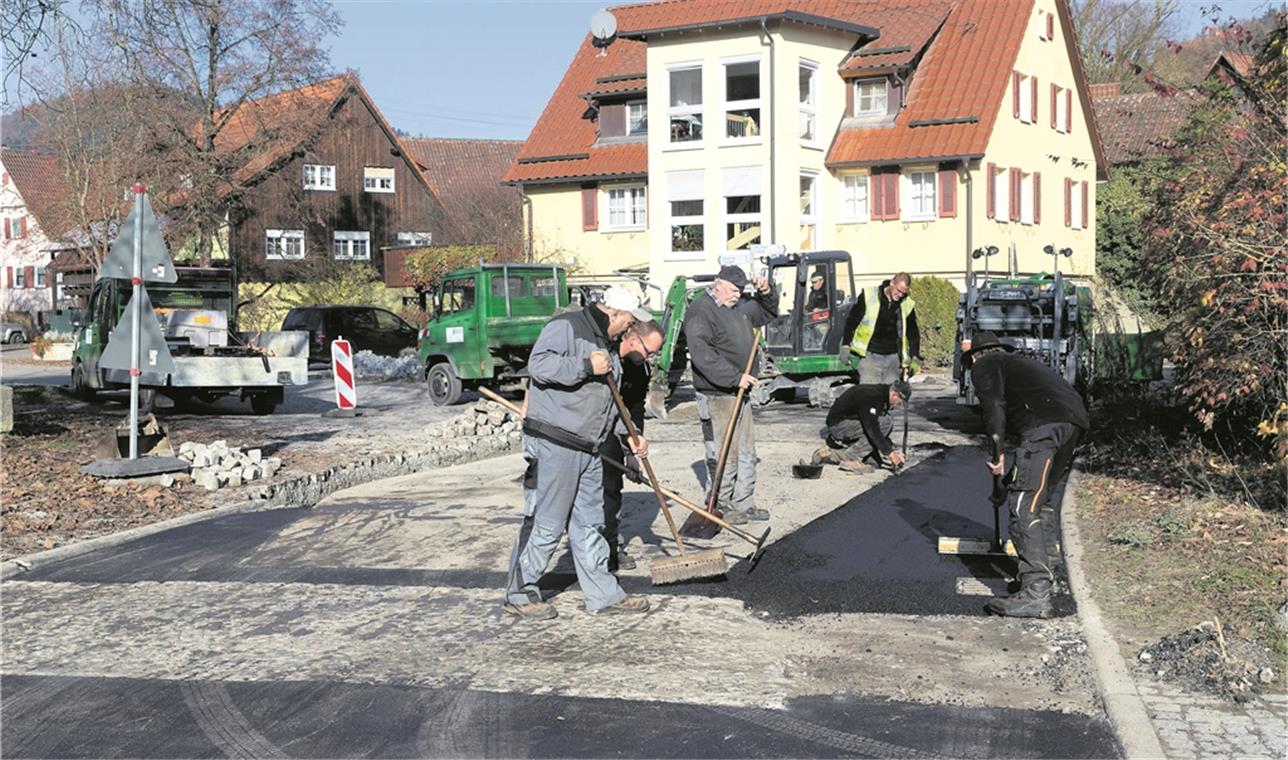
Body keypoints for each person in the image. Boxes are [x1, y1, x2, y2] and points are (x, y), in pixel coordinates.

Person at [503, 287, 654, 620]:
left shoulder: (609, 347)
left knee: (591, 524)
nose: (630, 328)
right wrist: (585, 365)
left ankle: (603, 594)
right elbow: (538, 365)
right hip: (556, 441)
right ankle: (518, 592)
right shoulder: (568, 327)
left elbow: (607, 404)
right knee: (546, 523)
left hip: (590, 447)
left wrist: (630, 435)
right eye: (629, 321)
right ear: (614, 313)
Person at [963, 330, 1090, 619]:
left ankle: (1036, 592)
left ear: (976, 356)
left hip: (1044, 426)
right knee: (1040, 500)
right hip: (1074, 423)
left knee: (1023, 507)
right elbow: (1025, 470)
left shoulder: (985, 364)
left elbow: (993, 405)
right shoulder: (1021, 364)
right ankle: (1048, 567)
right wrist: (1007, 481)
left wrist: (996, 453)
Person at [682, 264, 778, 529]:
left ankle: (743, 503)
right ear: (718, 284)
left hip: (740, 390)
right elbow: (703, 356)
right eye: (734, 290)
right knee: (725, 452)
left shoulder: (738, 307)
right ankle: (722, 504)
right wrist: (735, 378)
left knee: (747, 450)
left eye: (741, 291)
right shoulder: (702, 311)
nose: (737, 295)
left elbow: (769, 312)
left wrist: (767, 291)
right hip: (717, 394)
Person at [600, 319, 664, 572]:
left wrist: (634, 449)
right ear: (634, 340)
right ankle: (597, 550)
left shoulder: (640, 368)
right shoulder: (608, 356)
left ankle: (612, 548)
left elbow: (635, 408)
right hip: (596, 427)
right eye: (649, 351)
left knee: (613, 490)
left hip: (621, 429)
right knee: (598, 492)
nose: (650, 358)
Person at [840, 272, 921, 384]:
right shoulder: (869, 295)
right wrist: (845, 345)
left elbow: (913, 333)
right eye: (898, 291)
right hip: (870, 357)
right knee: (870, 395)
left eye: (904, 293)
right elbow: (851, 321)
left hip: (893, 359)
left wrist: (915, 356)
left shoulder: (906, 303)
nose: (900, 295)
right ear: (892, 283)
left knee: (892, 397)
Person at [814, 382, 910, 471]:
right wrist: (889, 453)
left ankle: (829, 454)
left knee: (874, 463)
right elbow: (872, 428)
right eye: (899, 402)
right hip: (839, 425)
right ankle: (851, 458)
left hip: (852, 423)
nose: (898, 405)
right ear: (894, 394)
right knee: (886, 421)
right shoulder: (873, 396)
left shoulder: (881, 395)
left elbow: (879, 430)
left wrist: (892, 450)